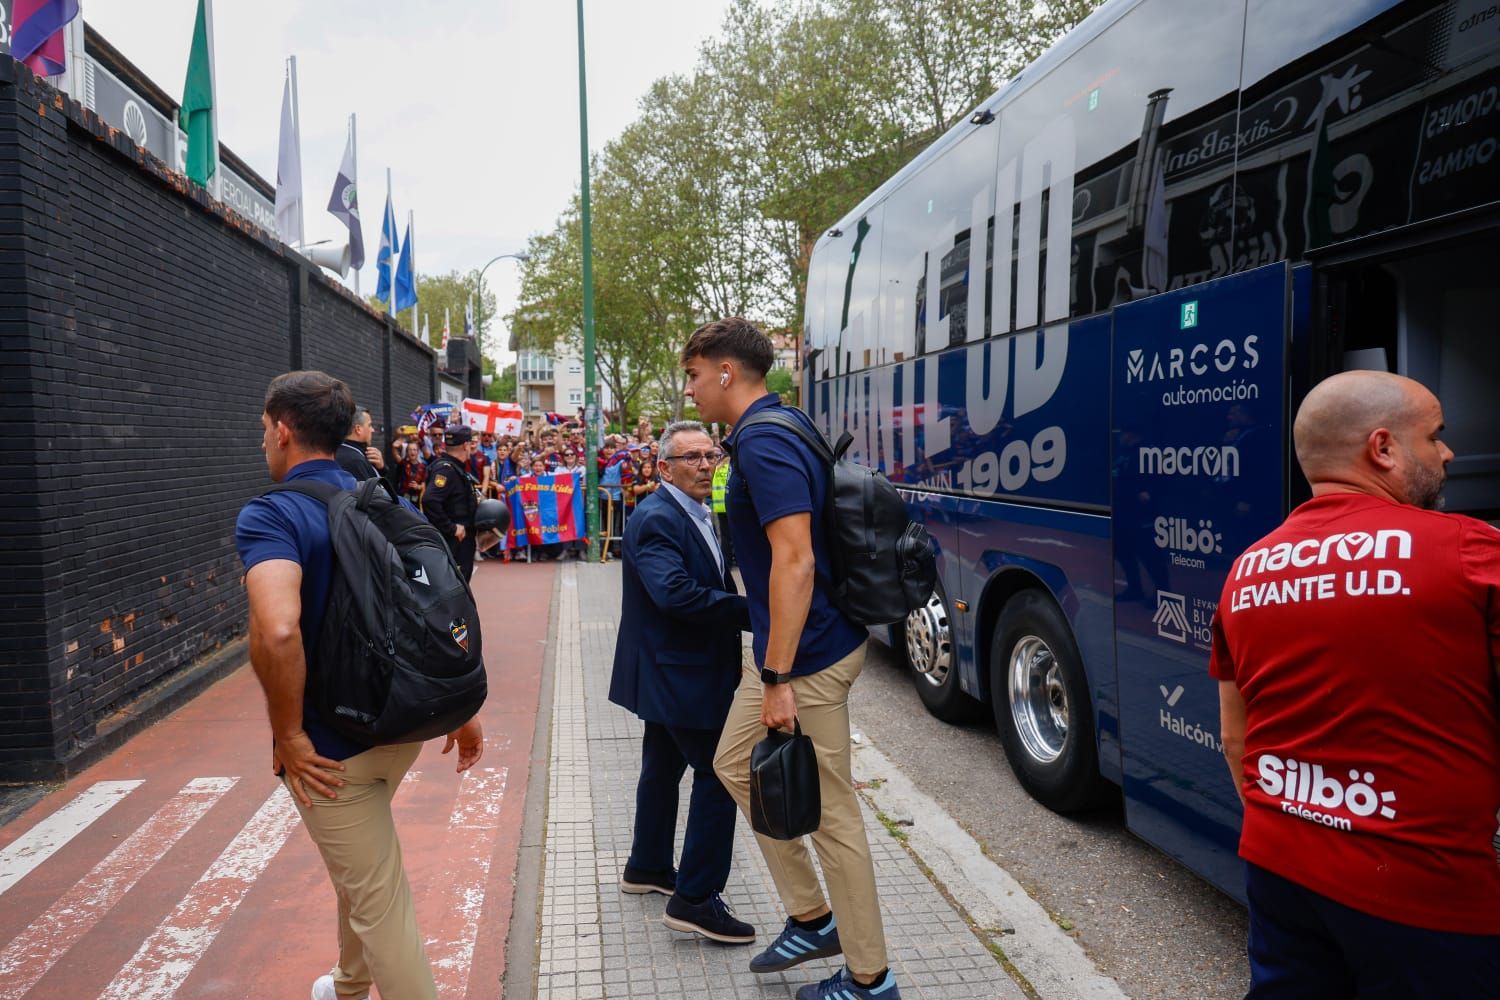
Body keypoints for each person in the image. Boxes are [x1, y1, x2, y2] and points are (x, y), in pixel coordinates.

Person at [1210, 370, 1500, 997]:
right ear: (1383, 448)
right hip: (1428, 891)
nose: (1448, 453)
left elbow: (1237, 742)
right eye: (1435, 435)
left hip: (1279, 867)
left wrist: (1302, 819)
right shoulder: (1471, 553)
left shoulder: (1245, 570)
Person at [235, 370, 483, 1000]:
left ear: (284, 430)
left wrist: (287, 733)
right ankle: (347, 987)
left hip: (327, 750)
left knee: (380, 899)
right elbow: (434, 605)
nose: (263, 441)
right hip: (402, 723)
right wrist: (458, 706)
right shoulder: (385, 500)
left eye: (264, 430)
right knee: (362, 873)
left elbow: (280, 629)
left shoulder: (273, 515)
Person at [684, 318, 899, 1000]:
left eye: (693, 375)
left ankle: (871, 978)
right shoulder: (776, 425)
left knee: (833, 816)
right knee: (732, 765)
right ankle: (811, 917)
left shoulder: (765, 442)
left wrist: (778, 677)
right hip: (790, 649)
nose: (689, 390)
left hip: (804, 657)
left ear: (725, 371)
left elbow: (796, 560)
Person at [608, 420, 755, 943]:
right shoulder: (656, 517)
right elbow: (674, 594)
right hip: (677, 673)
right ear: (663, 467)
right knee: (721, 773)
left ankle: (647, 866)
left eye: (710, 455)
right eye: (690, 458)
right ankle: (694, 899)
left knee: (662, 766)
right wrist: (752, 612)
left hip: (671, 669)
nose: (703, 465)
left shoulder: (692, 509)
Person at [423, 424, 481, 579]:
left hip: (461, 541)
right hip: (454, 542)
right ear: (465, 445)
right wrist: (451, 528)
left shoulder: (456, 468)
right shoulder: (446, 469)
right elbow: (430, 500)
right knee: (456, 587)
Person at [336, 407, 383, 482]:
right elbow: (373, 492)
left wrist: (381, 468)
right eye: (370, 425)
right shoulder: (354, 460)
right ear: (358, 429)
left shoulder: (346, 450)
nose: (373, 430)